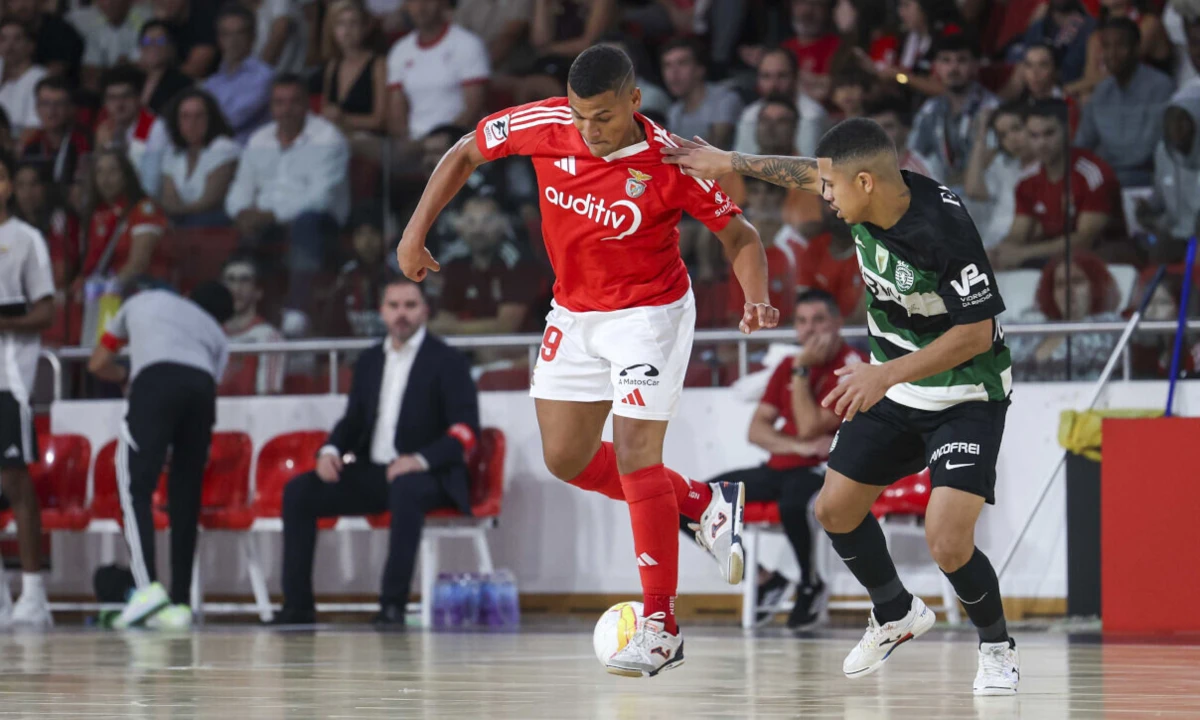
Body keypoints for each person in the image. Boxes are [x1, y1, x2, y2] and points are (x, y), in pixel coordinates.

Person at [397, 44, 779, 676]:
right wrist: (414, 232)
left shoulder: (671, 161)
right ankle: (704, 505)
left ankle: (661, 626)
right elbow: (465, 149)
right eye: (579, 115)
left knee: (635, 456)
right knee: (566, 457)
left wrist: (756, 298)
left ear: (634, 101)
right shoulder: (544, 124)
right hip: (574, 313)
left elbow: (741, 236)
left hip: (648, 316)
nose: (588, 130)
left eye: (601, 116)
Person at [662, 116, 1020, 694]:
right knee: (833, 510)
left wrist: (884, 373)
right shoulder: (861, 188)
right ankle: (896, 612)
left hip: (966, 395)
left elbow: (977, 333)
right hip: (895, 387)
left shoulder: (943, 232)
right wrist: (730, 161)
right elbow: (807, 172)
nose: (823, 198)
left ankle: (998, 648)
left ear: (866, 182)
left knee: (947, 540)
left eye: (833, 188)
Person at [275, 277, 478, 626]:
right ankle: (297, 608)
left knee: (405, 489)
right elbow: (353, 420)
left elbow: (465, 430)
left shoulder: (447, 360)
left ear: (425, 311)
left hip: (428, 475)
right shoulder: (369, 360)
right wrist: (330, 449)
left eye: (410, 306)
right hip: (375, 471)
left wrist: (418, 460)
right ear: (382, 312)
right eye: (394, 306)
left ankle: (392, 605)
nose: (402, 314)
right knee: (300, 491)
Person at [686, 289, 867, 628]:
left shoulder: (851, 366)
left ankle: (811, 585)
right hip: (781, 466)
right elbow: (756, 431)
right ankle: (765, 579)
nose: (810, 331)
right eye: (801, 322)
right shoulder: (788, 364)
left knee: (794, 504)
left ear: (838, 323)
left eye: (818, 321)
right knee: (694, 502)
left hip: (824, 470)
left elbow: (812, 426)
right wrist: (796, 446)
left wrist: (800, 373)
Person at [87, 281, 233, 629]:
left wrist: (125, 376)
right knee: (186, 496)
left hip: (154, 382)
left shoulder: (144, 299)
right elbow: (210, 380)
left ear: (187, 295)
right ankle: (180, 603)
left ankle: (145, 587)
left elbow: (97, 362)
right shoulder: (217, 334)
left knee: (133, 485)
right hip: (200, 392)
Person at [225, 74, 350, 328]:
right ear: (271, 107)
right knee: (236, 228)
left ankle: (298, 310)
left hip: (319, 224)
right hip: (266, 222)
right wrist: (241, 211)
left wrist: (270, 214)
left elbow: (320, 198)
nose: (287, 109)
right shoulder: (259, 139)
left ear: (307, 104)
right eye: (279, 103)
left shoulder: (328, 138)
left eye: (294, 102)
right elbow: (240, 188)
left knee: (306, 223)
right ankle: (237, 313)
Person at [0, 150, 57, 628]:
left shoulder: (26, 240)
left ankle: (35, 594)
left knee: (16, 482)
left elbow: (46, 312)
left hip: (10, 381)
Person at [992, 100, 1123, 269]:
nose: (1041, 143)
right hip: (1054, 261)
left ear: (1068, 131)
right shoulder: (1027, 181)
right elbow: (1018, 234)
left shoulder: (1093, 173)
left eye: (1049, 133)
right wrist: (997, 253)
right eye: (1034, 135)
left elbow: (1085, 240)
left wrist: (1022, 253)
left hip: (1106, 259)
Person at [1073, 17, 1175, 190]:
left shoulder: (1161, 87)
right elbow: (1081, 146)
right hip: (1107, 183)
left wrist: (1105, 164)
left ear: (1136, 49)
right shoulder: (1101, 92)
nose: (1112, 54)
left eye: (1120, 45)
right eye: (1106, 46)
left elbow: (1149, 151)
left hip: (1149, 183)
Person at [385, 0, 490, 141]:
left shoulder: (468, 44)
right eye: (413, 2)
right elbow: (397, 114)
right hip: (414, 146)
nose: (420, 7)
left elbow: (473, 109)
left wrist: (445, 138)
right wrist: (409, 144)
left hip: (460, 143)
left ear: (443, 3)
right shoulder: (400, 50)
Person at [1007, 252, 1121, 380]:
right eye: (1060, 284)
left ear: (1096, 287)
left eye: (1077, 281)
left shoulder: (1110, 326)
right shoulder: (1032, 329)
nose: (1068, 290)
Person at [1137, 85, 1200, 264]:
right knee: (1157, 253)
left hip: (1197, 238)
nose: (1176, 127)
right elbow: (1160, 197)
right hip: (1175, 234)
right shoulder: (1163, 152)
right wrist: (1147, 207)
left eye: (1183, 120)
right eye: (1171, 120)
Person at [160, 88, 240, 227]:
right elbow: (169, 199)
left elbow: (210, 201)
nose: (192, 123)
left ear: (211, 118)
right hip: (184, 220)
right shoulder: (173, 153)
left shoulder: (224, 147)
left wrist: (178, 214)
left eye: (199, 116)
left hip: (218, 221)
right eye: (185, 116)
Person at [964, 102, 1036, 249]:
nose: (1012, 139)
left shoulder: (1045, 169)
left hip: (1016, 248)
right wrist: (981, 136)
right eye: (1003, 135)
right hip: (990, 243)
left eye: (1016, 128)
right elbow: (973, 190)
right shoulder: (1004, 164)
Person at [204, 3, 276, 145]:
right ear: (219, 39)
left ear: (253, 36)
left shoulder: (264, 76)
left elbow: (233, 119)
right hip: (215, 151)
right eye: (227, 34)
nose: (233, 40)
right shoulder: (212, 82)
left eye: (240, 33)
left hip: (250, 152)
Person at [94, 66, 171, 197]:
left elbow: (151, 186)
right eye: (112, 98)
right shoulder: (105, 131)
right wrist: (100, 149)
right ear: (105, 103)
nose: (119, 104)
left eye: (126, 96)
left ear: (139, 98)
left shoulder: (155, 128)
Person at [218, 255, 285, 396]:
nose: (236, 288)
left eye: (245, 280)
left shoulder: (269, 337)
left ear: (258, 292)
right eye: (230, 280)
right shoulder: (212, 334)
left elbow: (268, 400)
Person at [320, 0, 387, 137]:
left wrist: (343, 119)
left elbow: (381, 120)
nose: (347, 30)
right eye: (340, 23)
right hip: (337, 137)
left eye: (353, 23)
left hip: (369, 141)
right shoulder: (332, 66)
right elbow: (325, 111)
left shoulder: (378, 64)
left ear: (364, 27)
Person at [661, 38, 743, 150]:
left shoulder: (725, 98)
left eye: (682, 63)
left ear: (700, 69)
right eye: (667, 65)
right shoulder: (674, 112)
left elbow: (714, 149)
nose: (674, 72)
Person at [21, 77, 91, 188]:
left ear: (70, 107)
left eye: (59, 104)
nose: (51, 111)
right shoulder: (31, 145)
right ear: (37, 108)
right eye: (45, 103)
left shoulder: (84, 141)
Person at [0, 19, 50, 137]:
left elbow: (34, 127)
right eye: (3, 39)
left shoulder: (40, 77)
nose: (9, 45)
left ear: (30, 45)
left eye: (17, 39)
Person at [136, 20, 194, 117]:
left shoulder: (182, 83)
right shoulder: (133, 79)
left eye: (160, 41)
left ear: (171, 47)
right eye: (147, 41)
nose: (153, 45)